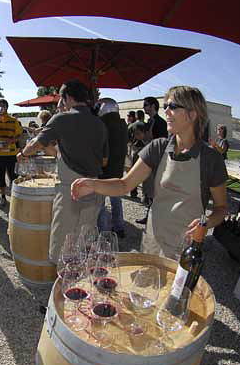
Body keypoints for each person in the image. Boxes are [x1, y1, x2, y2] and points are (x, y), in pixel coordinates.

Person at [72, 86, 228, 260]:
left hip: (186, 245)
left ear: (193, 114)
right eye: (166, 106)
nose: (166, 111)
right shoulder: (158, 147)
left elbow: (221, 208)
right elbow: (125, 184)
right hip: (153, 239)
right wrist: (94, 185)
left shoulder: (211, 159)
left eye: (173, 106)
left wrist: (205, 224)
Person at [18, 79, 107, 266]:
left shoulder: (62, 119)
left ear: (68, 97)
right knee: (86, 243)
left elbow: (36, 144)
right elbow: (104, 161)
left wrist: (22, 153)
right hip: (94, 188)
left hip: (70, 192)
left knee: (64, 246)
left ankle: (65, 288)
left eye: (62, 97)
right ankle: (84, 284)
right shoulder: (99, 124)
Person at [95, 98, 128, 238]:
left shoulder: (101, 125)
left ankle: (104, 232)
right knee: (116, 200)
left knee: (101, 204)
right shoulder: (123, 124)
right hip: (117, 169)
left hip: (103, 169)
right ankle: (119, 227)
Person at [137, 97, 169, 225]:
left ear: (153, 106)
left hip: (156, 162)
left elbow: (161, 144)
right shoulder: (149, 121)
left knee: (154, 190)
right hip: (148, 159)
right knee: (149, 190)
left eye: (146, 105)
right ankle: (149, 216)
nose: (144, 107)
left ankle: (154, 218)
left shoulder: (160, 122)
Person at [0, 99, 22, 207]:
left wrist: (11, 140)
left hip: (11, 153)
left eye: (3, 106)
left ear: (7, 108)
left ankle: (15, 197)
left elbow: (19, 135)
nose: (1, 108)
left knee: (13, 175)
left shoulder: (13, 120)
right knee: (0, 177)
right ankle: (3, 197)